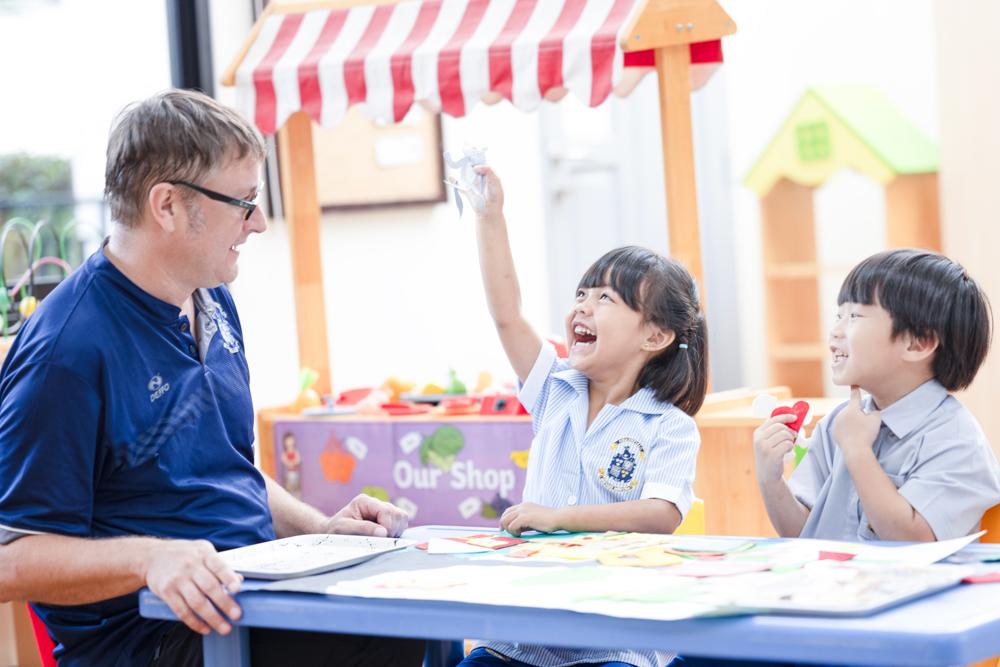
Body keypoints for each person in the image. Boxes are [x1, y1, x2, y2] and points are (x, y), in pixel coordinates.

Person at [0, 90, 424, 667]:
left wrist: (323, 529)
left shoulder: (214, 301)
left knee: (409, 612)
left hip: (251, 596)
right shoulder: (66, 351)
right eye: (244, 202)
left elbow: (227, 470)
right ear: (168, 205)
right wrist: (151, 558)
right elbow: (13, 558)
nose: (260, 223)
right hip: (151, 637)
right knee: (378, 639)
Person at [453, 167, 708, 667]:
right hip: (521, 641)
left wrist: (556, 519)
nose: (583, 308)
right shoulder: (554, 389)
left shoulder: (669, 425)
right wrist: (490, 217)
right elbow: (507, 313)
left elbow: (660, 515)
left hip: (615, 644)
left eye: (605, 299)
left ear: (654, 337)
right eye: (581, 295)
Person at [754, 249, 1000, 543]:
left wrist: (858, 452)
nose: (835, 332)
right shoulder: (839, 423)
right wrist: (771, 481)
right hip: (836, 583)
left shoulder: (956, 440)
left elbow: (912, 540)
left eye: (854, 316)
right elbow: (803, 531)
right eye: (839, 315)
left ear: (919, 343)